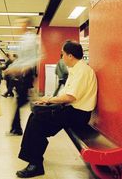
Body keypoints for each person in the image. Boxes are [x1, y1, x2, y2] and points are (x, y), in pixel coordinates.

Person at [16, 41, 97, 178]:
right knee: (35, 117)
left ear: (70, 55)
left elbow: (70, 97)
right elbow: (66, 93)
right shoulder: (77, 69)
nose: (62, 57)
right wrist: (48, 99)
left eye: (62, 54)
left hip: (78, 114)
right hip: (72, 110)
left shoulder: (82, 71)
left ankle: (35, 164)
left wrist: (48, 100)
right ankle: (34, 158)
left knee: (37, 122)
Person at [5, 18, 42, 136]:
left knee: (22, 101)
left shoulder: (30, 39)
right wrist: (12, 67)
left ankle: (17, 128)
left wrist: (26, 66)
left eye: (20, 24)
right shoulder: (24, 40)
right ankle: (16, 128)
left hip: (27, 74)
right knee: (22, 101)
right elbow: (22, 59)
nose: (18, 27)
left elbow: (36, 56)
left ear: (26, 25)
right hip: (24, 74)